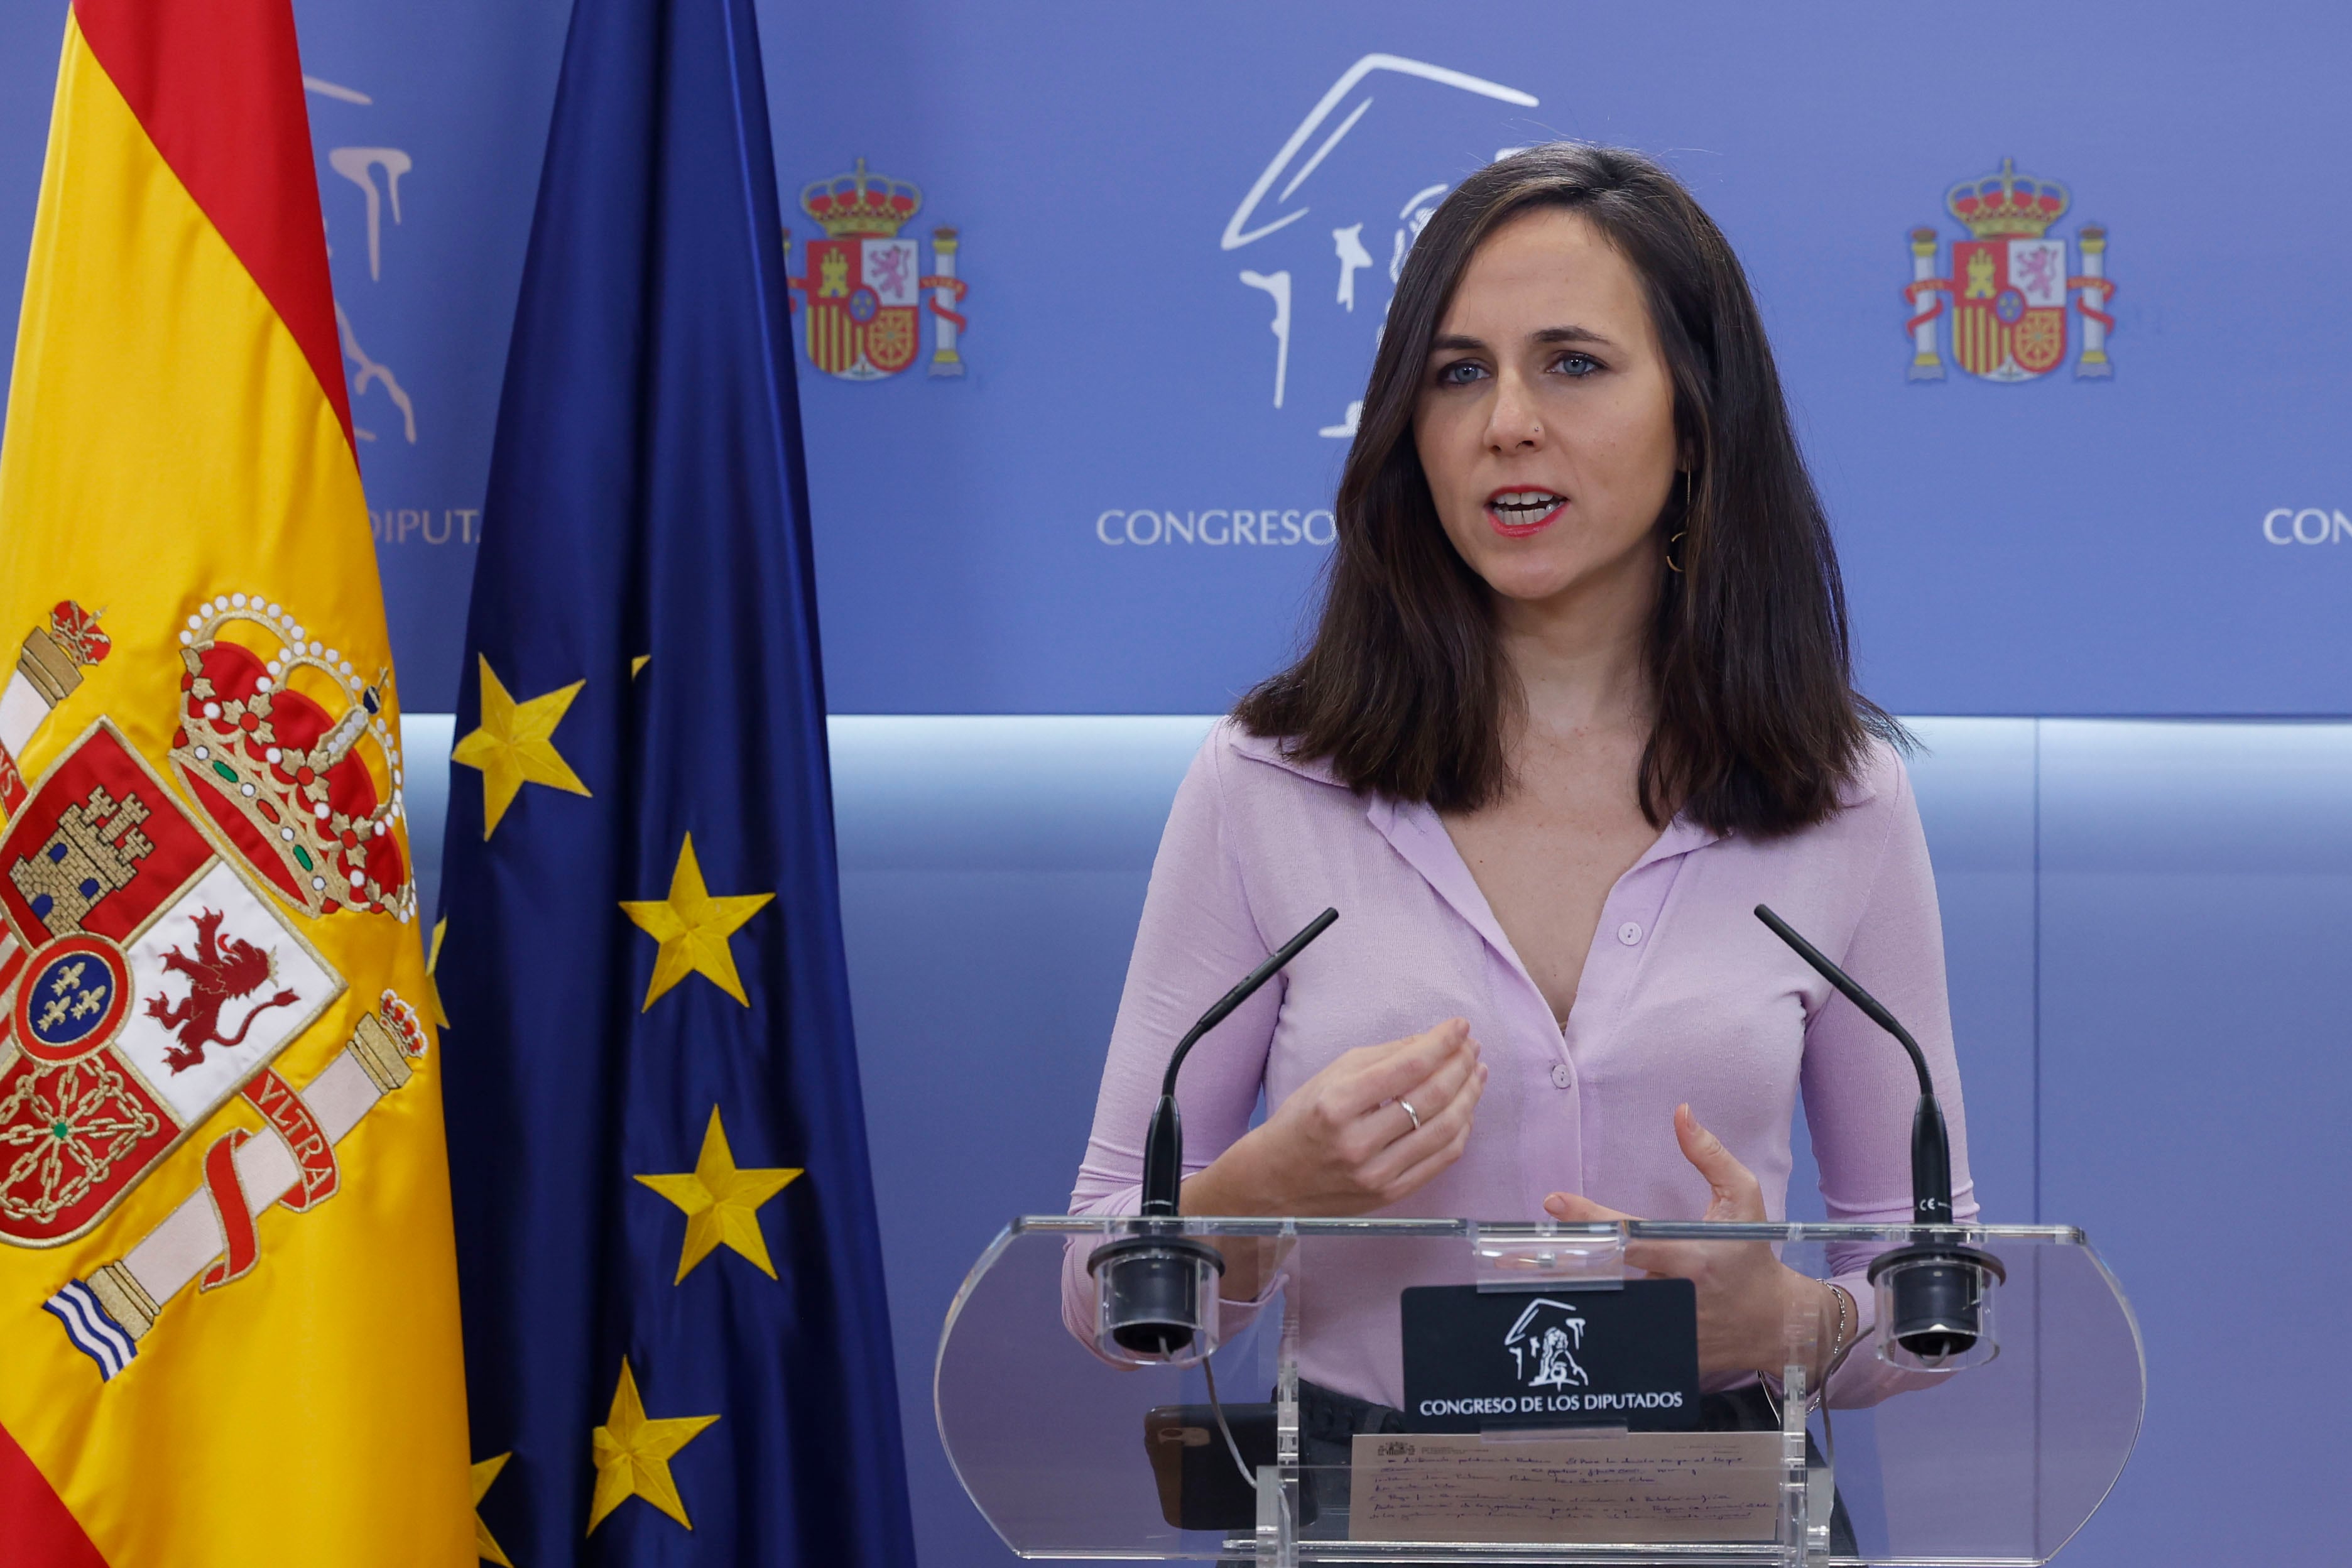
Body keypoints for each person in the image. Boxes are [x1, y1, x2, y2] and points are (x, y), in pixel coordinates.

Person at [1070, 143, 1974, 1492]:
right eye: (1458, 373)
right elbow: (1103, 1293)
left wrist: (1790, 1322)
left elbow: (1932, 1280)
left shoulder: (1839, 794)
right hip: (1358, 1503)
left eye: (1573, 364)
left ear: (1697, 418)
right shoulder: (1268, 779)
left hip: (1715, 1508)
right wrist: (1267, 1191)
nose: (1506, 424)